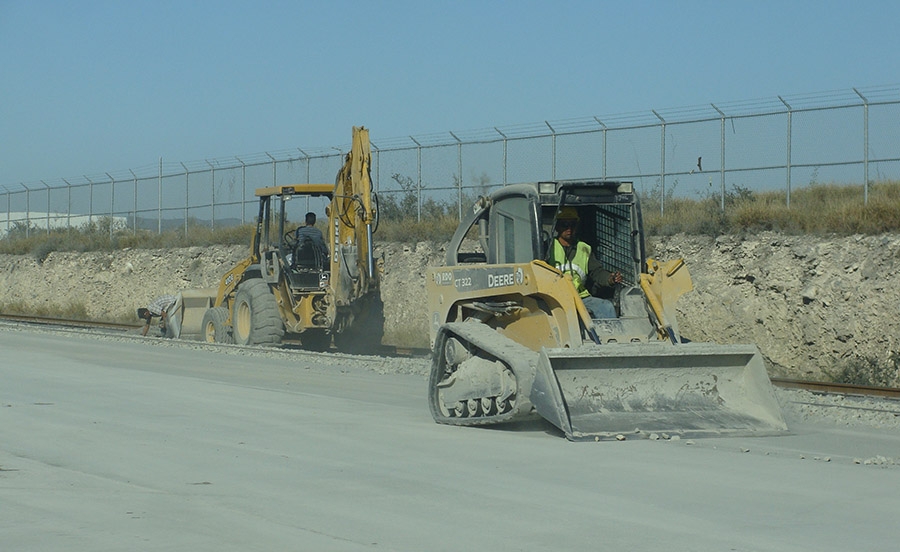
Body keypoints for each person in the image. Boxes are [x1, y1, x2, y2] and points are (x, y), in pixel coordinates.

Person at [547, 207, 622, 319]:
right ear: (557, 226)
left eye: (573, 224)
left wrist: (610, 279)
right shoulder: (547, 248)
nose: (569, 228)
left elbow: (597, 272)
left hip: (581, 297)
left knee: (606, 307)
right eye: (565, 224)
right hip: (553, 298)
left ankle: (611, 335)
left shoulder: (584, 249)